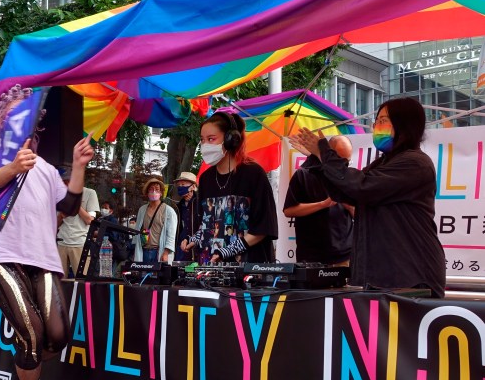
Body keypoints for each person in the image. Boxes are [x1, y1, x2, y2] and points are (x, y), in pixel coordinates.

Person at [0, 84, 94, 380]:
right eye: (14, 111)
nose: (21, 117)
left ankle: (27, 369)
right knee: (32, 336)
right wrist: (13, 166)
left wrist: (80, 166)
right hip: (0, 256)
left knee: (56, 336)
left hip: (43, 259)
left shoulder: (47, 167)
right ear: (3, 116)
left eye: (28, 112)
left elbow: (69, 208)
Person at [290, 97, 446, 297]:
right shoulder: (384, 163)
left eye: (383, 120)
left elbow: (360, 186)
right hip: (384, 274)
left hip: (410, 274)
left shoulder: (415, 163)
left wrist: (324, 154)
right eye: (377, 121)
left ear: (404, 124)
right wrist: (319, 159)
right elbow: (344, 192)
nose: (377, 127)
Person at [184, 112, 277, 264]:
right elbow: (207, 225)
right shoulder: (206, 179)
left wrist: (228, 250)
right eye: (202, 140)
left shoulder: (254, 174)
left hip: (250, 268)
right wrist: (193, 239)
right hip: (212, 271)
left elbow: (264, 228)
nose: (205, 145)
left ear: (230, 140)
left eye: (211, 139)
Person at [282, 135, 354, 265]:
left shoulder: (350, 177)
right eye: (339, 160)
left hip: (345, 254)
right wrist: (322, 204)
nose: (343, 165)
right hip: (312, 256)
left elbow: (359, 213)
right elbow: (289, 210)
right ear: (328, 154)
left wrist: (348, 204)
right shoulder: (304, 174)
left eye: (347, 161)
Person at [56, 165, 99, 277]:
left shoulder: (90, 193)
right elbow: (54, 225)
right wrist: (61, 216)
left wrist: (75, 203)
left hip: (80, 243)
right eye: (63, 182)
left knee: (81, 281)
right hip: (61, 242)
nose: (65, 185)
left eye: (68, 181)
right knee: (60, 281)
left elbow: (90, 220)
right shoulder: (58, 195)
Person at [133, 177, 177, 263]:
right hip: (143, 251)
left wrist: (166, 253)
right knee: (143, 275)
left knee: (159, 276)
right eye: (151, 189)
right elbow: (137, 230)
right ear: (147, 193)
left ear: (161, 193)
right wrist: (135, 249)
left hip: (158, 252)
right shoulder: (142, 210)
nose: (154, 192)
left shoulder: (169, 211)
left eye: (157, 189)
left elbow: (171, 234)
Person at [173, 171, 199, 262]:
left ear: (193, 186)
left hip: (195, 246)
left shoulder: (200, 204)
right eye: (179, 185)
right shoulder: (178, 206)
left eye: (183, 184)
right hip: (180, 248)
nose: (180, 187)